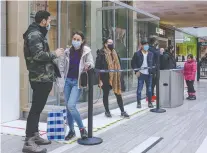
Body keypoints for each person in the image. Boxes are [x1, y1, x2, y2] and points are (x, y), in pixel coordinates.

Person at [23, 10, 64, 153]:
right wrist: (55, 54)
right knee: (35, 110)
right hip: (39, 78)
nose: (50, 23)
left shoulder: (38, 33)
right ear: (43, 21)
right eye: (49, 20)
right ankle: (28, 142)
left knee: (38, 109)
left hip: (43, 77)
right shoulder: (34, 34)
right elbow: (38, 55)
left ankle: (34, 136)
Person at [58, 31, 94, 140]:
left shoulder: (86, 51)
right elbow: (62, 66)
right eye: (74, 39)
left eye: (78, 40)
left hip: (77, 83)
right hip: (67, 82)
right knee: (68, 108)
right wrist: (61, 81)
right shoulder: (67, 52)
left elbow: (92, 63)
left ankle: (82, 129)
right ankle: (72, 131)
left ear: (82, 41)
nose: (76, 41)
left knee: (71, 105)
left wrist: (88, 65)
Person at [95, 38, 129, 118]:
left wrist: (121, 77)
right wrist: (99, 80)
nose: (111, 44)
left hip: (115, 77)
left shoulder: (115, 52)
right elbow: (97, 68)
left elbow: (119, 65)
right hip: (105, 78)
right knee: (105, 94)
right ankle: (107, 111)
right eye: (109, 43)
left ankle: (122, 111)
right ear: (105, 44)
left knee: (118, 94)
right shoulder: (101, 54)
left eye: (112, 43)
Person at [131, 39, 154, 108]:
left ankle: (149, 102)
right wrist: (136, 71)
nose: (146, 46)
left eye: (147, 45)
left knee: (149, 89)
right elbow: (133, 63)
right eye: (145, 45)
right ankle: (138, 103)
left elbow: (153, 63)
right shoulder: (137, 53)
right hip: (141, 74)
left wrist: (152, 72)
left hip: (149, 74)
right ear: (141, 45)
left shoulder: (151, 54)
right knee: (139, 89)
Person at [148, 37, 160, 101]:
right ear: (154, 42)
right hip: (152, 68)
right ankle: (150, 96)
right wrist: (157, 49)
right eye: (156, 41)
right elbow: (157, 54)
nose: (157, 42)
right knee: (151, 83)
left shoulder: (153, 48)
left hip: (155, 68)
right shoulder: (150, 48)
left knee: (154, 82)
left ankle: (152, 95)